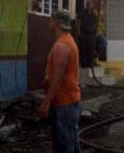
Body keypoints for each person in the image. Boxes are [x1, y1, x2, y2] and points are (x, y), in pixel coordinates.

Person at [39, 10, 81, 153]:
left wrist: (46, 102)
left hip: (64, 103)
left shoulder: (62, 45)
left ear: (56, 22)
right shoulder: (67, 41)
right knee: (70, 142)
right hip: (67, 102)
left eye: (51, 20)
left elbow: (57, 78)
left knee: (64, 146)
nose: (49, 24)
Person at [78, 1, 97, 67]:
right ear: (87, 6)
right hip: (84, 34)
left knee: (91, 49)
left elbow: (95, 25)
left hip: (91, 35)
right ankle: (83, 63)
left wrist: (94, 34)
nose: (89, 7)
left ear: (92, 7)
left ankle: (90, 63)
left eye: (91, 5)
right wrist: (79, 32)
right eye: (88, 5)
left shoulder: (93, 15)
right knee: (83, 49)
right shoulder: (83, 13)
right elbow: (79, 22)